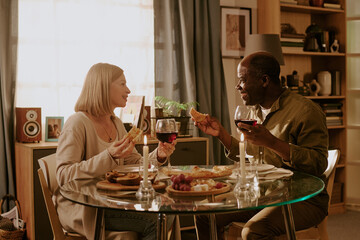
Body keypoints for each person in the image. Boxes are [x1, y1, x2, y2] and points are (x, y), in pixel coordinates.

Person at [194, 52, 329, 240]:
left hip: (303, 199)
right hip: (263, 194)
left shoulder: (306, 111)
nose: (238, 86)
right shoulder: (254, 111)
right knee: (204, 213)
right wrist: (221, 135)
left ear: (264, 80)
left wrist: (272, 142)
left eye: (242, 80)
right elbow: (249, 153)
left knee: (254, 231)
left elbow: (318, 163)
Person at [54, 63, 176, 240]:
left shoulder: (116, 123)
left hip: (113, 203)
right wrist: (108, 156)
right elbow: (63, 175)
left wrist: (159, 155)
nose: (128, 90)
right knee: (157, 220)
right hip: (85, 208)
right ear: (103, 86)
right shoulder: (77, 123)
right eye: (122, 84)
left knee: (167, 212)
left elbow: (134, 163)